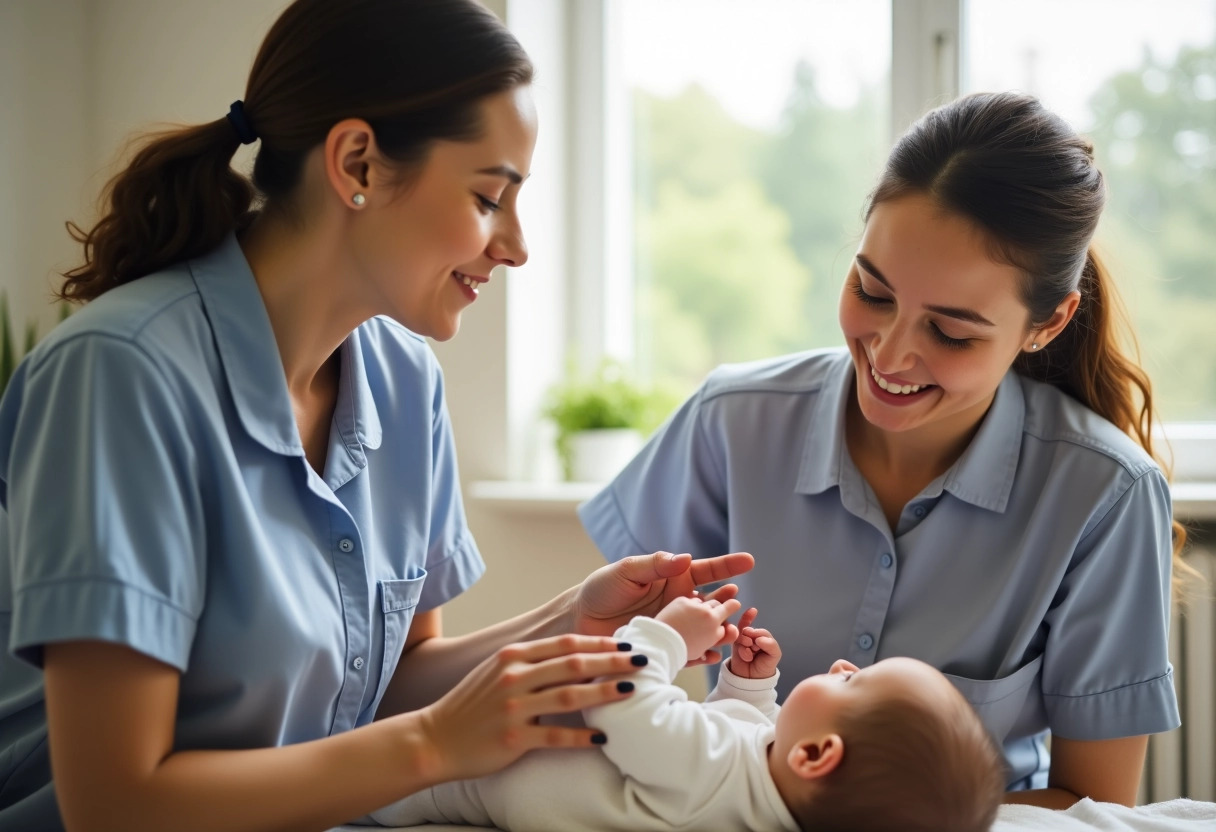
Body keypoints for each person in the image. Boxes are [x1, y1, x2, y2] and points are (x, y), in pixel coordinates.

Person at [0, 2, 753, 830]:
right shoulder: (121, 376)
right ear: (357, 161)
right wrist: (434, 745)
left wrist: (576, 619)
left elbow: (390, 681)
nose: (517, 246)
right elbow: (116, 804)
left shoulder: (403, 384)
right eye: (489, 197)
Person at [579, 91, 1191, 809]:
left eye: (952, 332)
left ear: (1047, 323)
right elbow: (604, 675)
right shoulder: (730, 423)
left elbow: (1094, 807)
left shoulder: (1106, 494)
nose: (892, 355)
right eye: (872, 292)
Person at [368, 600, 1006, 832]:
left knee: (368, 779)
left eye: (855, 682)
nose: (842, 666)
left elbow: (622, 700)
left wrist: (667, 636)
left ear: (816, 755)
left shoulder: (710, 779)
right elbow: (730, 726)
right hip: (491, 756)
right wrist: (748, 687)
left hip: (462, 783)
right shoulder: (759, 782)